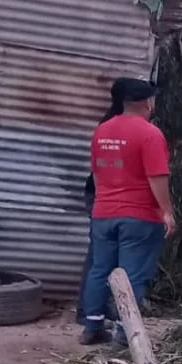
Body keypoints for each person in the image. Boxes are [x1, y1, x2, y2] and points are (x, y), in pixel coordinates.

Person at [80, 78, 176, 346]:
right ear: (148, 102)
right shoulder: (150, 134)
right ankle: (124, 332)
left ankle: (93, 326)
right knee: (133, 274)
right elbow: (157, 177)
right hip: (139, 217)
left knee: (100, 269)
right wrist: (167, 212)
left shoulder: (102, 131)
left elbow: (98, 173)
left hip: (104, 213)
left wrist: (105, 201)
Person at [75, 78, 130, 324]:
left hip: (108, 194)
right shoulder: (112, 126)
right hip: (104, 195)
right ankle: (87, 310)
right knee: (99, 254)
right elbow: (106, 166)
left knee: (106, 253)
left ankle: (97, 306)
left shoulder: (117, 123)